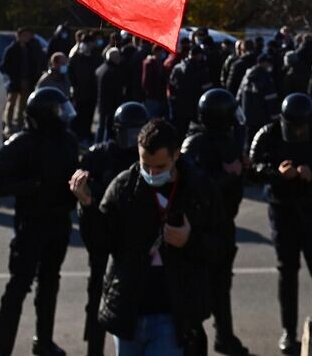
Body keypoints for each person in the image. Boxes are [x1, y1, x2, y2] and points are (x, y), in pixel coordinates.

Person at [70, 118, 221, 356]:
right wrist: (87, 206)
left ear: (176, 156)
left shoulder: (197, 189)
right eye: (145, 165)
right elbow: (101, 243)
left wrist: (190, 240)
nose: (151, 173)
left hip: (172, 313)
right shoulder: (124, 187)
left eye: (159, 167)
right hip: (130, 310)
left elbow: (219, 245)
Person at [250, 93, 312, 355]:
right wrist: (277, 174)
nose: (298, 132)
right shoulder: (269, 133)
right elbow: (254, 167)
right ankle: (288, 332)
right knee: (287, 273)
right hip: (283, 212)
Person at [0, 86, 79, 356]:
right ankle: (2, 350)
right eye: (58, 110)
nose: (64, 115)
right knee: (18, 287)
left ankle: (44, 340)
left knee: (50, 283)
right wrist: (29, 186)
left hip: (59, 223)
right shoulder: (21, 144)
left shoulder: (68, 141)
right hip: (31, 225)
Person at [77, 102, 150, 356]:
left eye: (137, 134)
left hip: (136, 240)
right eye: (128, 133)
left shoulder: (148, 160)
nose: (132, 141)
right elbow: (85, 191)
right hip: (104, 234)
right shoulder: (99, 156)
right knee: (97, 298)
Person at [181, 89, 249, 356]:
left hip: (224, 225)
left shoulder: (226, 139)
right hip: (201, 231)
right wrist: (226, 175)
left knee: (222, 285)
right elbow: (193, 188)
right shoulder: (195, 144)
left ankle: (224, 335)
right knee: (199, 290)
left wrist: (243, 169)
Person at [2, 27, 47, 133]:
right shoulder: (11, 49)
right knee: (11, 103)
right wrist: (13, 76)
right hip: (15, 80)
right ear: (19, 36)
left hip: (28, 80)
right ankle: (8, 124)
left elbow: (38, 63)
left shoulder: (32, 48)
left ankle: (20, 124)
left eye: (28, 35)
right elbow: (5, 65)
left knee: (23, 104)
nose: (26, 37)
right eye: (24, 35)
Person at [168, 43, 211, 139]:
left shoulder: (178, 67)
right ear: (198, 55)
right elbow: (207, 90)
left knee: (180, 133)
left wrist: (174, 102)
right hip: (195, 107)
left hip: (180, 107)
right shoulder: (201, 69)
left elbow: (171, 87)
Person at [238, 48, 280, 145]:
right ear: (263, 63)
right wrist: (274, 116)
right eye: (268, 63)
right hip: (261, 117)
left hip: (247, 116)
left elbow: (239, 96)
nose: (270, 65)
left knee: (248, 141)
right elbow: (270, 99)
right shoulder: (264, 77)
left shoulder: (247, 76)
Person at [69, 30, 102, 138]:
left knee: (89, 116)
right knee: (78, 115)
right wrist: (74, 87)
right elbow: (70, 74)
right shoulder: (75, 58)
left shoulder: (96, 57)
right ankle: (77, 135)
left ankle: (86, 134)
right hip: (79, 93)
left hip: (91, 93)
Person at [96, 44, 129, 143]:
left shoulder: (101, 69)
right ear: (113, 57)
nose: (120, 58)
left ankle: (97, 144)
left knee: (101, 127)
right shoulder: (113, 71)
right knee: (107, 128)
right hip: (110, 105)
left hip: (102, 104)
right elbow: (116, 90)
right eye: (117, 56)